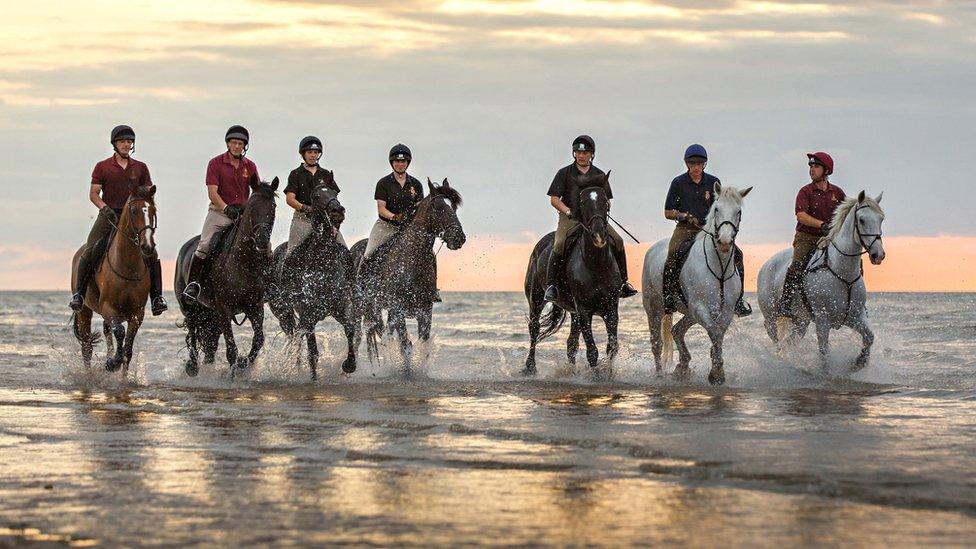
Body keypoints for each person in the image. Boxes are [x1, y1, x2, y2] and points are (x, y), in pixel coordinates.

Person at [69, 125, 167, 316]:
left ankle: (157, 298)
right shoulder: (102, 166)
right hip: (109, 214)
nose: (126, 144)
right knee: (90, 249)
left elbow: (146, 193)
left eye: (129, 141)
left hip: (133, 216)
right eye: (122, 141)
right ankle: (79, 295)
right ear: (115, 144)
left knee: (151, 253)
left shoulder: (140, 167)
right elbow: (94, 193)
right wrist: (104, 208)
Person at [543, 134, 637, 302]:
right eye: (578, 152)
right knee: (559, 243)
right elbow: (554, 199)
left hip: (594, 219)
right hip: (571, 217)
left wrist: (603, 209)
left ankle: (624, 283)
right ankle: (551, 286)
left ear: (592, 154)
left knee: (618, 240)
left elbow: (607, 199)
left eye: (585, 152)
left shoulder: (600, 175)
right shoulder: (564, 173)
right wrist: (567, 211)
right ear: (574, 154)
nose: (581, 155)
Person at [661, 144, 751, 316]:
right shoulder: (678, 182)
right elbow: (667, 212)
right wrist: (684, 216)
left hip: (709, 229)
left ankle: (738, 301)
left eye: (699, 164)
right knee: (673, 253)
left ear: (704, 164)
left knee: (738, 254)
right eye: (692, 163)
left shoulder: (713, 182)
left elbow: (722, 206)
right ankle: (669, 298)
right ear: (687, 164)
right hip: (686, 229)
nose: (696, 167)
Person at [182, 125, 259, 301]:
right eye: (234, 142)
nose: (237, 146)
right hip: (219, 212)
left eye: (240, 143)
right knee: (205, 244)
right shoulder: (215, 163)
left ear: (244, 146)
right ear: (228, 144)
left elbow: (256, 191)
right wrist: (226, 208)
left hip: (242, 214)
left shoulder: (250, 166)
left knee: (263, 245)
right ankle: (193, 285)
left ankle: (269, 284)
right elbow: (212, 192)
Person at [362, 144, 441, 301]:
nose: (400, 164)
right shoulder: (383, 183)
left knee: (430, 254)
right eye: (397, 161)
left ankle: (432, 289)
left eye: (404, 161)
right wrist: (394, 217)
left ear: (408, 163)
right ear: (392, 163)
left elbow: (420, 208)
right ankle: (362, 284)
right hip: (386, 225)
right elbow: (381, 209)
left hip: (409, 228)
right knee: (370, 251)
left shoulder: (416, 184)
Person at [775, 151, 846, 317]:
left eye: (816, 166)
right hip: (806, 238)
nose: (812, 170)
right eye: (811, 167)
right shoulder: (805, 192)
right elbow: (801, 216)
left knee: (852, 260)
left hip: (830, 238)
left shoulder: (838, 193)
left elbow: (846, 214)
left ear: (826, 170)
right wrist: (821, 225)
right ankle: (785, 303)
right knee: (797, 264)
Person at [283, 135, 344, 259]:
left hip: (325, 219)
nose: (313, 155)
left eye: (315, 152)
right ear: (303, 154)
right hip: (303, 219)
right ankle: (284, 275)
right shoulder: (296, 174)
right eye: (309, 152)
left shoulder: (326, 174)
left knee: (343, 249)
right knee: (291, 253)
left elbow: (334, 195)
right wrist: (305, 208)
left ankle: (351, 278)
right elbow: (290, 199)